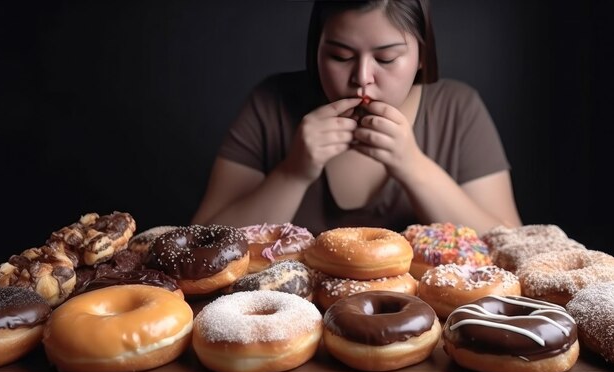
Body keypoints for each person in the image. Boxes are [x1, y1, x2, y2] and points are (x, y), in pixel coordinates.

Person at [192, 0, 522, 236]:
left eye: (387, 58)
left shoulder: (457, 108)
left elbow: (510, 249)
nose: (362, 77)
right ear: (316, 49)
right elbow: (199, 243)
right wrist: (293, 172)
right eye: (341, 56)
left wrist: (413, 166)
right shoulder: (271, 103)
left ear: (422, 54)